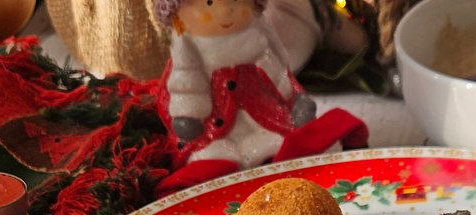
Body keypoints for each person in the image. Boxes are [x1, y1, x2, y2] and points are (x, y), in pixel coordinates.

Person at [150, 0, 366, 180]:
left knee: (278, 142)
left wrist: (295, 98)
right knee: (212, 157)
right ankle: (221, 166)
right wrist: (187, 115)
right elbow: (186, 84)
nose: (226, 11)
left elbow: (277, 74)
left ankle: (269, 160)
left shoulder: (258, 40)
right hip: (214, 126)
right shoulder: (186, 51)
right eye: (209, 3)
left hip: (263, 113)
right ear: (177, 16)